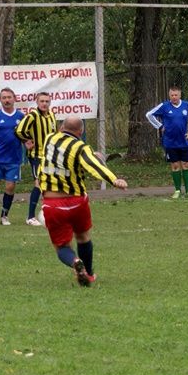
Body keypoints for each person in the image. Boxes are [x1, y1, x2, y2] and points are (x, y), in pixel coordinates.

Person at [38, 116, 128, 287]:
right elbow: (94, 166)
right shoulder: (81, 147)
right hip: (77, 202)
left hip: (53, 203)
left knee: (62, 246)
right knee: (83, 236)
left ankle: (75, 262)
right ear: (81, 131)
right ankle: (89, 273)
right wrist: (114, 179)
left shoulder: (49, 139)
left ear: (61, 127)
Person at [146, 86, 188, 199]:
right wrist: (160, 126)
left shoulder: (187, 105)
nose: (174, 97)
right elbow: (149, 114)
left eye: (176, 95)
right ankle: (177, 190)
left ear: (180, 95)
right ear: (169, 95)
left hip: (184, 141)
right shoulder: (164, 106)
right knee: (175, 166)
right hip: (170, 142)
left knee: (186, 165)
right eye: (172, 95)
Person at [15, 91, 56, 226]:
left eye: (47, 101)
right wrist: (27, 140)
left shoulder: (51, 115)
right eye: (42, 101)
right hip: (36, 156)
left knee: (49, 185)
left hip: (49, 156)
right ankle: (30, 217)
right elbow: (18, 130)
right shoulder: (33, 115)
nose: (44, 104)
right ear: (37, 102)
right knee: (38, 184)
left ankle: (49, 212)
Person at [0, 87, 25, 226]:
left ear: (14, 99)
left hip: (14, 158)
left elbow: (25, 136)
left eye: (9, 97)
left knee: (10, 187)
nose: (7, 100)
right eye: (4, 98)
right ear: (0, 100)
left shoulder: (21, 117)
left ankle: (4, 216)